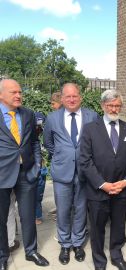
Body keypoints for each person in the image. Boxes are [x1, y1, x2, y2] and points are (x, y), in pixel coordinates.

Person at [79, 89, 126, 270]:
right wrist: (102, 184)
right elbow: (85, 160)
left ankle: (116, 255)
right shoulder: (90, 129)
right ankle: (99, 261)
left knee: (119, 225)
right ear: (102, 106)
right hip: (98, 190)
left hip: (122, 190)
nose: (114, 109)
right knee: (97, 228)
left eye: (117, 105)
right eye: (111, 105)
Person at [44, 83, 98, 265]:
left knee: (81, 209)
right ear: (62, 99)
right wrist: (61, 155)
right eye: (68, 97)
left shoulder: (92, 116)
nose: (72, 99)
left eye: (75, 96)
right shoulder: (52, 118)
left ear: (80, 97)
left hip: (84, 172)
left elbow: (97, 143)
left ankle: (78, 243)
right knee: (63, 210)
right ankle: (65, 244)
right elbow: (48, 143)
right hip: (62, 172)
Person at [0, 79, 49, 270]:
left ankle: (32, 251)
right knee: (1, 218)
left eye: (20, 92)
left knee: (28, 215)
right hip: (2, 174)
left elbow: (35, 142)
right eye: (14, 92)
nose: (19, 95)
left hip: (26, 173)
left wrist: (36, 165)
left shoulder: (28, 114)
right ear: (1, 94)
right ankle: (3, 256)